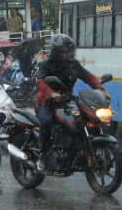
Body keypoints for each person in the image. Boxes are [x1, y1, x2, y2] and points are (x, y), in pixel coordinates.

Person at [34, 34, 105, 167]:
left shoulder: (73, 65)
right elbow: (41, 82)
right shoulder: (46, 65)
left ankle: (76, 150)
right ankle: (42, 156)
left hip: (66, 101)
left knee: (83, 119)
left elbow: (88, 77)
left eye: (71, 51)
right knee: (47, 122)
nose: (69, 54)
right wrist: (51, 93)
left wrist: (100, 89)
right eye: (66, 51)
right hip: (46, 102)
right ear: (56, 52)